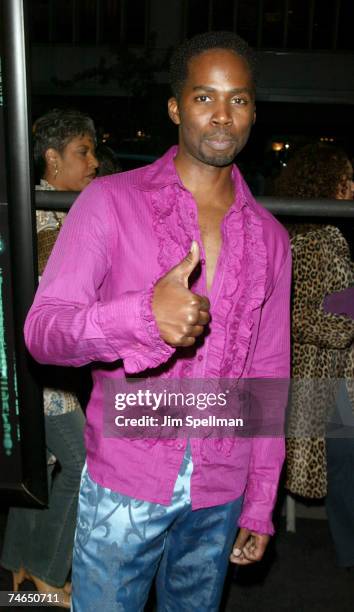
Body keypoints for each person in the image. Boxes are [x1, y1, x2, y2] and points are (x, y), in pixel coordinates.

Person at [24, 32, 291, 611]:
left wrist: (260, 498)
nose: (222, 115)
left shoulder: (271, 237)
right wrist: (141, 316)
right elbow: (43, 332)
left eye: (238, 100)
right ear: (175, 107)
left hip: (222, 484)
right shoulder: (109, 203)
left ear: (252, 112)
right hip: (127, 473)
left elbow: (268, 374)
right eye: (204, 97)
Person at [1, 109, 99, 607]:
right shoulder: (45, 214)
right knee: (82, 463)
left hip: (29, 369)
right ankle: (44, 573)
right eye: (84, 152)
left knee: (40, 464)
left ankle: (18, 572)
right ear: (52, 159)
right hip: (41, 375)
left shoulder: (49, 209)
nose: (95, 162)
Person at [275, 142, 354, 568]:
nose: (353, 186)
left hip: (326, 373)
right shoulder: (321, 239)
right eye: (346, 179)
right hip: (326, 375)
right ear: (328, 184)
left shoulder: (309, 233)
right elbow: (305, 314)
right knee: (346, 461)